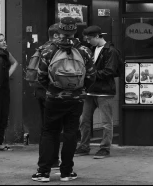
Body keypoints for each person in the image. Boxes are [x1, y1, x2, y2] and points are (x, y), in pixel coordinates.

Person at [31, 16, 95, 183]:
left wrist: (52, 90)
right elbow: (91, 75)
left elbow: (41, 76)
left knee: (49, 132)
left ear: (59, 30)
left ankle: (43, 172)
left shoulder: (49, 50)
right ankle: (66, 172)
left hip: (54, 98)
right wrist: (81, 89)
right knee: (71, 133)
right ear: (75, 30)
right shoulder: (84, 50)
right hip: (76, 98)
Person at [75, 26, 122, 160]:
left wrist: (90, 75)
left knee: (106, 122)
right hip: (91, 91)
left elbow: (110, 71)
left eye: (89, 39)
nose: (88, 41)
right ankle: (84, 146)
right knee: (84, 120)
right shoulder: (93, 49)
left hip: (104, 91)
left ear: (97, 36)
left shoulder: (111, 51)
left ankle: (105, 148)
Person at [27, 24, 63, 171]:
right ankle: (52, 161)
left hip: (41, 93)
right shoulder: (54, 51)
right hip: (53, 93)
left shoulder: (40, 49)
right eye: (63, 34)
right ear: (55, 36)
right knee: (55, 128)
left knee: (47, 128)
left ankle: (49, 160)